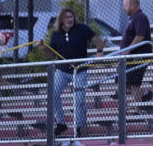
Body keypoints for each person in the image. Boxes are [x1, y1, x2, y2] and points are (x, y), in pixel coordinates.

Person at [37, 7, 105, 137]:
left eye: (71, 16)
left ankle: (78, 127)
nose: (70, 19)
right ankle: (61, 123)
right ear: (61, 19)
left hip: (80, 70)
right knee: (53, 94)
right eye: (67, 17)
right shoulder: (56, 33)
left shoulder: (82, 29)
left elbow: (98, 41)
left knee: (79, 100)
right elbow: (52, 55)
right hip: (62, 71)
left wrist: (99, 51)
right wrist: (43, 48)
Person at [121, 0, 153, 106]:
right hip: (131, 57)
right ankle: (145, 94)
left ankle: (138, 108)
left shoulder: (140, 17)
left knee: (132, 83)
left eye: (125, 5)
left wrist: (128, 50)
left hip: (138, 56)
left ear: (133, 5)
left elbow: (140, 36)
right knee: (126, 82)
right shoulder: (133, 18)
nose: (124, 8)